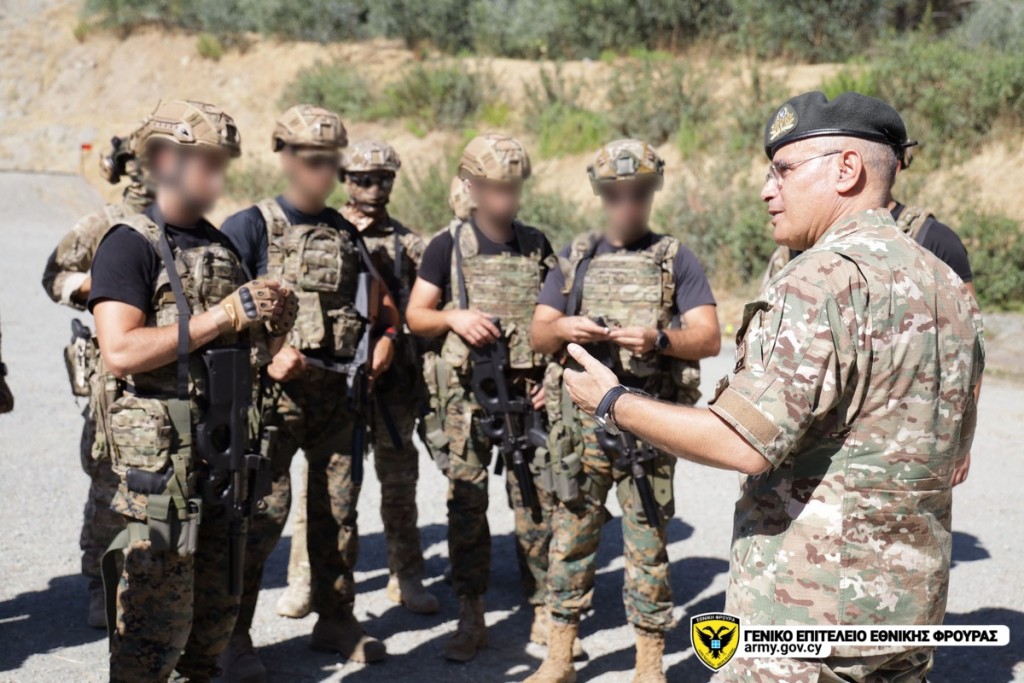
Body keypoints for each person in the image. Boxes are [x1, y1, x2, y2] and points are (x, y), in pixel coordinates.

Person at [562, 91, 984, 682]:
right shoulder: (944, 283)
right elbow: (951, 447)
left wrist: (613, 401)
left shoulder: (821, 280)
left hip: (806, 620)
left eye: (783, 170)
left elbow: (743, 442)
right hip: (905, 613)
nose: (767, 190)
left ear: (847, 169)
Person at [89, 99, 293, 683]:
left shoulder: (220, 245)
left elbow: (257, 355)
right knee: (152, 635)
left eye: (220, 162)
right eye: (204, 161)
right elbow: (120, 350)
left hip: (223, 459)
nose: (216, 175)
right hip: (163, 473)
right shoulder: (129, 243)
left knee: (212, 628)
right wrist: (222, 317)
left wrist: (276, 323)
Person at [527, 139, 721, 683]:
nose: (627, 204)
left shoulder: (674, 258)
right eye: (615, 194)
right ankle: (559, 657)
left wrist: (659, 339)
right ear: (601, 195)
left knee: (648, 546)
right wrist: (565, 327)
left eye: (638, 192)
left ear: (651, 192)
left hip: (647, 429)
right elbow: (539, 333)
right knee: (570, 540)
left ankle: (649, 663)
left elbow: (708, 336)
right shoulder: (576, 256)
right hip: (580, 431)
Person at [219, 104, 399, 679]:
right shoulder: (250, 226)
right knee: (258, 518)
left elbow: (379, 306)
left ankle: (336, 618)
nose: (321, 170)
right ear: (286, 157)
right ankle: (233, 634)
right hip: (270, 404)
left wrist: (385, 340)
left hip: (337, 400)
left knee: (337, 514)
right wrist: (268, 352)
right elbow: (211, 315)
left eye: (329, 160)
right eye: (310, 158)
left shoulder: (345, 233)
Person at [405, 133, 559, 662]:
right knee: (466, 506)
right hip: (466, 399)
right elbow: (416, 316)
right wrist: (454, 317)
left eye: (513, 188)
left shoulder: (535, 244)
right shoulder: (447, 246)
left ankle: (543, 606)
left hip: (525, 395)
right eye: (496, 188)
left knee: (536, 504)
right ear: (471, 187)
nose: (506, 199)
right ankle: (471, 613)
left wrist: (552, 375)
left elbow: (555, 317)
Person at [41, 125, 153, 628]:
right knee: (109, 480)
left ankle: (156, 582)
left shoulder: (186, 220)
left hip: (168, 371)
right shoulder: (105, 222)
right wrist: (98, 285)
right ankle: (100, 584)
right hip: (113, 376)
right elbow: (54, 276)